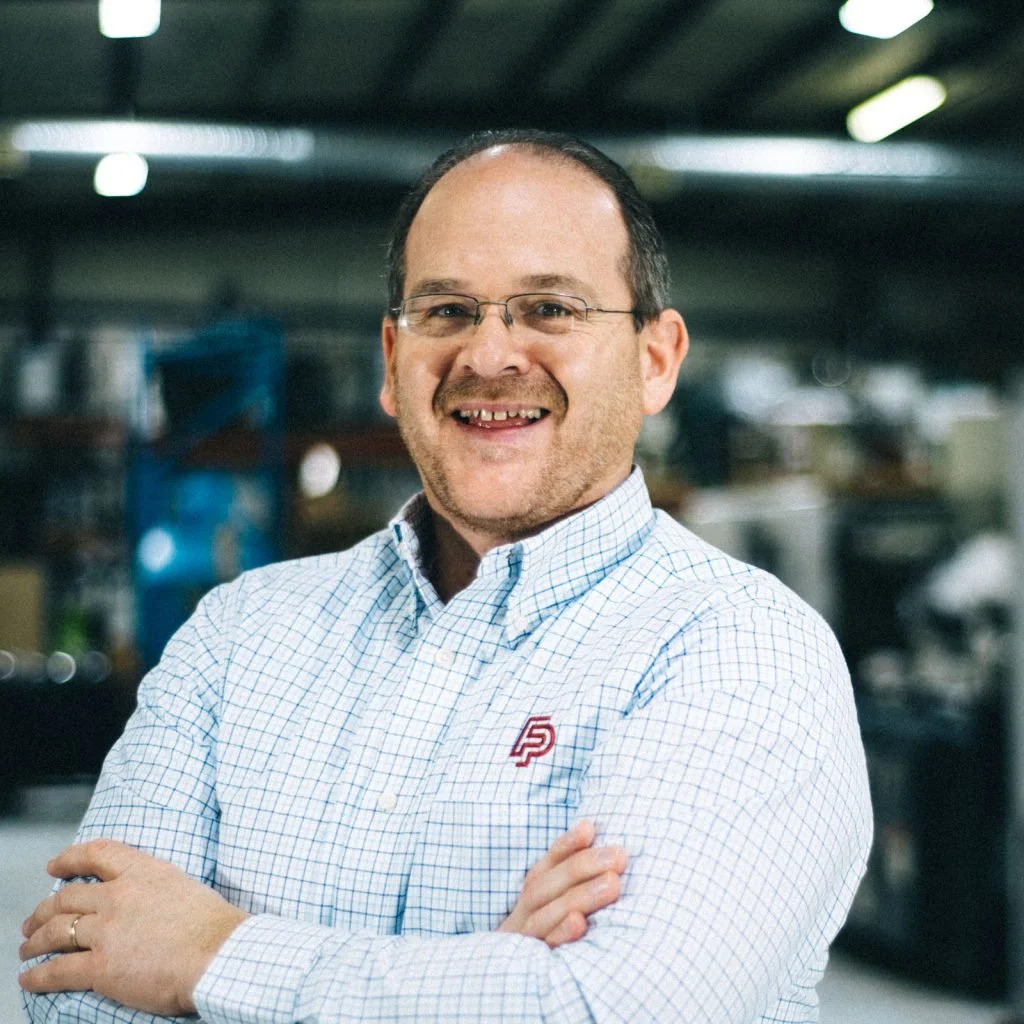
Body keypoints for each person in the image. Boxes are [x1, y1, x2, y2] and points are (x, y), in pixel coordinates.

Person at [19, 128, 872, 1023]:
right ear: (391, 360)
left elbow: (621, 1010)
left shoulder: (738, 649)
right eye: (448, 310)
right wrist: (493, 974)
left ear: (656, 359)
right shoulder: (237, 635)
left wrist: (210, 955)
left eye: (550, 309)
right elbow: (75, 990)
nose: (490, 355)